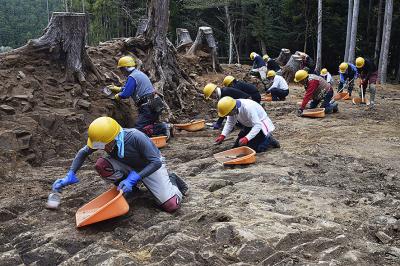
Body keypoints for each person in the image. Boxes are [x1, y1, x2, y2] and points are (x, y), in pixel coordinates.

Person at [51, 117, 188, 213]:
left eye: (105, 145)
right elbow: (83, 152)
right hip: (128, 166)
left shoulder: (135, 137)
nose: (102, 148)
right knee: (102, 164)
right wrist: (70, 174)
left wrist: (135, 178)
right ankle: (133, 191)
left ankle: (173, 181)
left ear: (114, 138)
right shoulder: (105, 140)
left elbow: (156, 162)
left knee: (171, 205)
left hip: (150, 167)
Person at [108, 56, 170, 138]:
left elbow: (126, 94)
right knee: (145, 125)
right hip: (154, 104)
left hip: (148, 107)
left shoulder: (132, 77)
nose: (121, 72)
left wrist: (118, 96)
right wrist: (119, 89)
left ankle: (163, 128)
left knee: (138, 130)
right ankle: (162, 128)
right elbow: (131, 88)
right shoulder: (138, 74)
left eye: (121, 69)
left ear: (125, 68)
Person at [214, 96, 280, 153]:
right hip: (248, 124)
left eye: (228, 114)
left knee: (256, 149)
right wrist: (223, 135)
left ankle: (269, 139)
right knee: (237, 147)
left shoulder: (248, 108)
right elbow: (230, 122)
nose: (228, 115)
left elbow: (257, 125)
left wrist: (247, 138)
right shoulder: (231, 107)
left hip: (261, 125)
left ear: (233, 109)